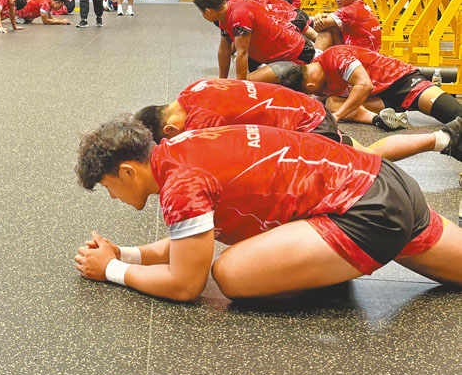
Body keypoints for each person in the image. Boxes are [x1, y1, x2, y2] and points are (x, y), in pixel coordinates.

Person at [74, 117, 462, 301]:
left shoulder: (180, 185)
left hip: (363, 214)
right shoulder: (181, 147)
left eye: (109, 187)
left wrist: (110, 270)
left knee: (230, 273)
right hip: (384, 182)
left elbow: (186, 283)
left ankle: (333, 265)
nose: (113, 197)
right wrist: (124, 253)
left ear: (128, 171)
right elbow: (191, 244)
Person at [135, 78, 462, 163]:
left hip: (307, 123)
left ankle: (446, 137)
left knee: (368, 159)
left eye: (170, 141)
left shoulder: (201, 123)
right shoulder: (193, 90)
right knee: (364, 153)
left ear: (170, 130)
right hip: (303, 107)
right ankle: (445, 140)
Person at [270, 45, 462, 138]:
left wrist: (337, 117)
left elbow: (364, 85)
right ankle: (380, 119)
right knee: (332, 102)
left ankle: (387, 115)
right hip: (380, 98)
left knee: (453, 114)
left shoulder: (336, 58)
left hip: (402, 82)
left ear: (310, 87)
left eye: (309, 93)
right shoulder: (316, 76)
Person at [193, 0, 315, 80]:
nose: (201, 15)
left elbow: (242, 53)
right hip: (279, 56)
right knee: (247, 80)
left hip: (296, 55)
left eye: (201, 12)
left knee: (249, 82)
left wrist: (240, 86)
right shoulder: (224, 18)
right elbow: (224, 48)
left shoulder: (239, 15)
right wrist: (222, 81)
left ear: (208, 11)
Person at [311, 0, 381, 52]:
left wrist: (318, 16)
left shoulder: (351, 10)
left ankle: (316, 57)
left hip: (363, 54)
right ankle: (317, 55)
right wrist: (319, 16)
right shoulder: (359, 5)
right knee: (332, 26)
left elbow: (320, 24)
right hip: (364, 50)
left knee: (328, 28)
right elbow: (319, 25)